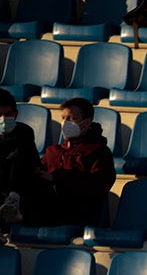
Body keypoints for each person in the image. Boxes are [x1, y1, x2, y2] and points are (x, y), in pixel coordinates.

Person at [35, 97, 115, 227]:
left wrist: (57, 179)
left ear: (87, 122)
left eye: (71, 119)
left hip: (80, 214)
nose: (65, 123)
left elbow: (99, 185)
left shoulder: (99, 151)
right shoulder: (53, 151)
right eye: (63, 118)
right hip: (49, 211)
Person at [0, 89, 41, 230]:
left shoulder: (24, 132)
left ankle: (13, 201)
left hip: (19, 185)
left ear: (15, 114)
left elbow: (33, 162)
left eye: (8, 114)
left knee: (20, 156)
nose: (3, 119)